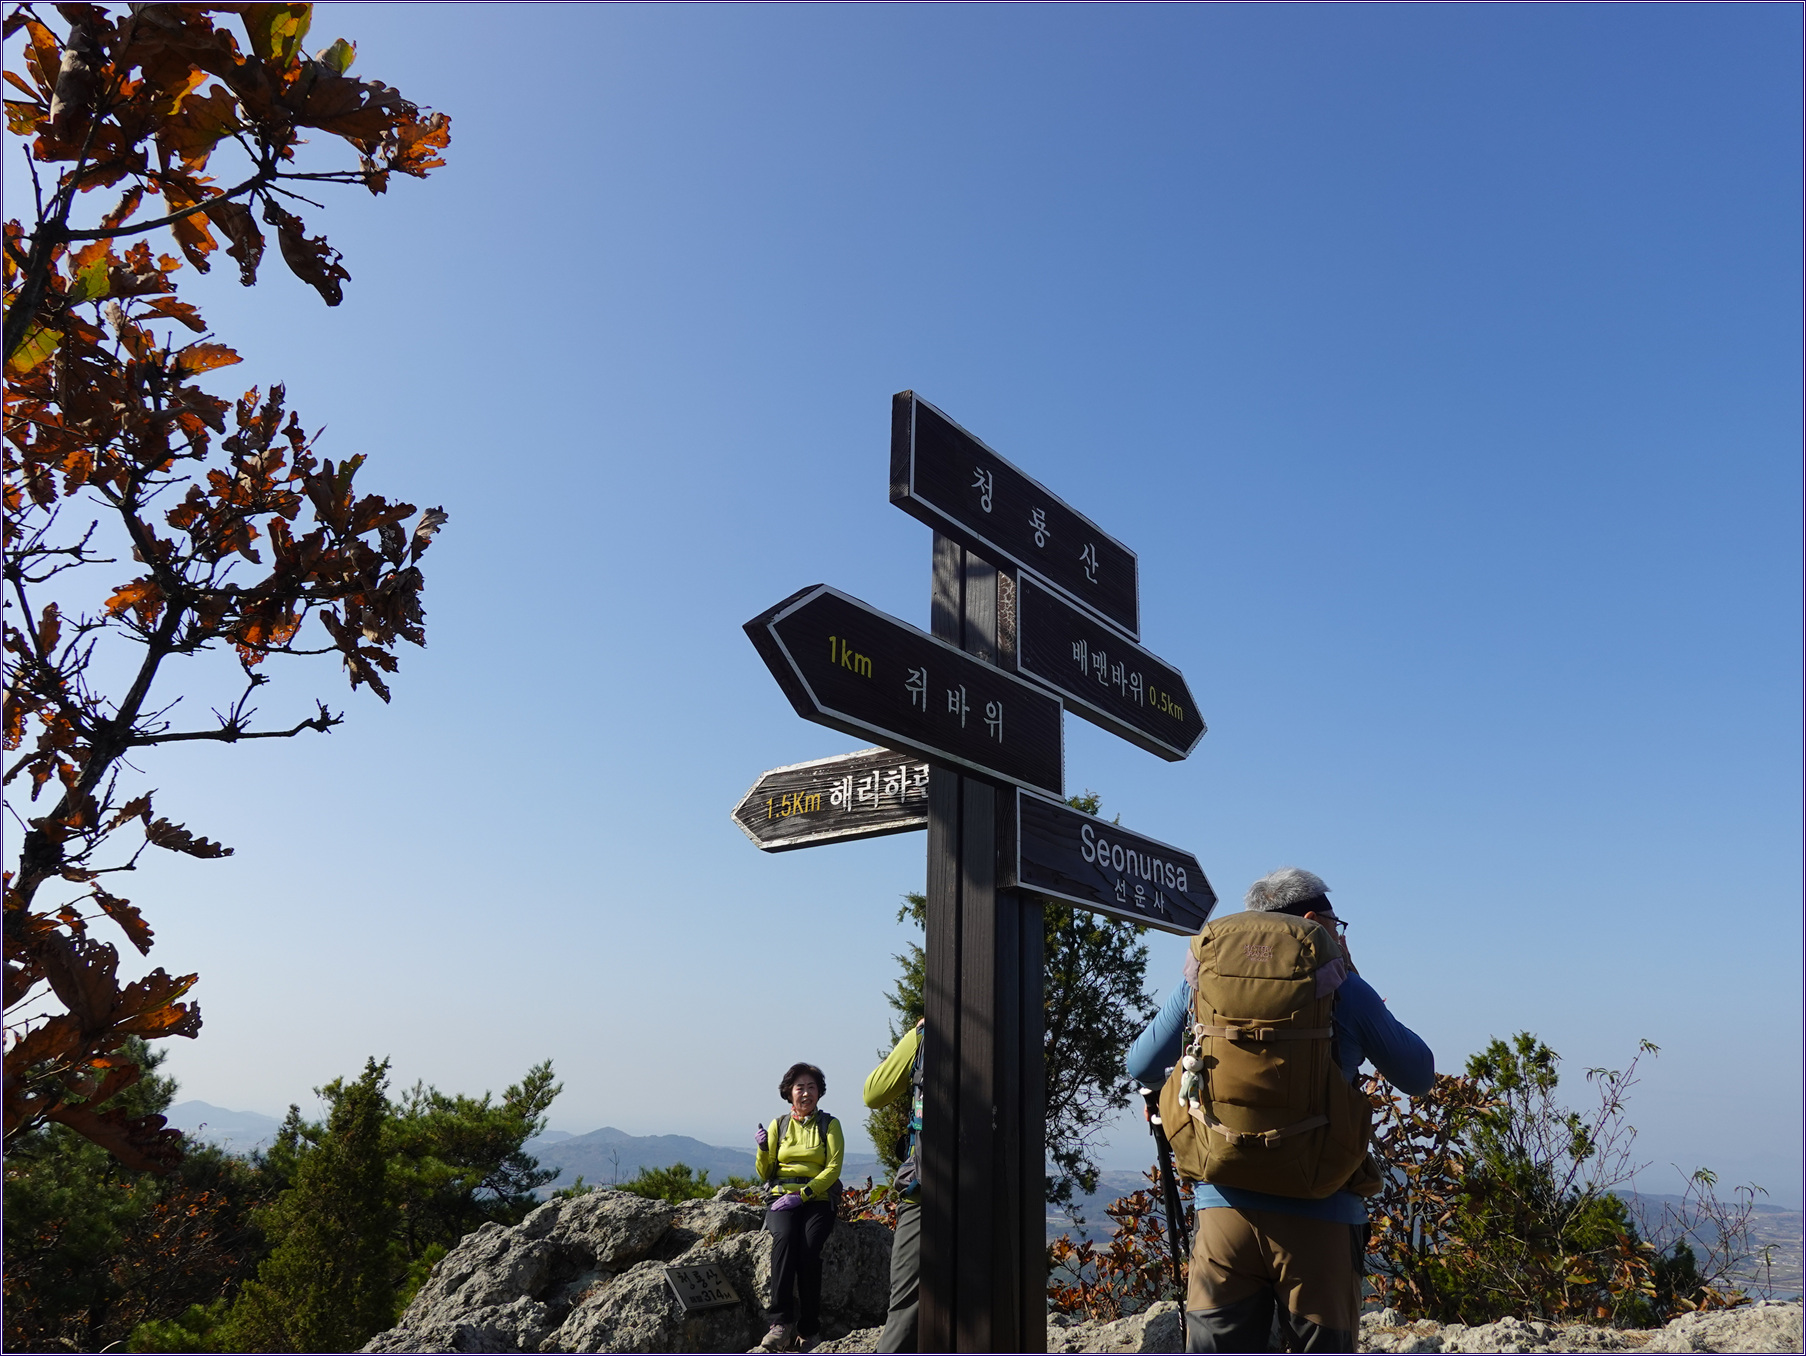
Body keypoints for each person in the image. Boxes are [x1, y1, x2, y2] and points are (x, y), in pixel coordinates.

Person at [1127, 868, 1435, 1354]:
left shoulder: (1204, 981)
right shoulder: (1342, 987)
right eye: (1337, 924)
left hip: (1222, 1208)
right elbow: (1418, 1074)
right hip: (1321, 1213)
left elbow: (1141, 1063)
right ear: (1313, 919)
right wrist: (1353, 979)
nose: (1340, 934)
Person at [754, 1062, 844, 1354]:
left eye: (811, 1087)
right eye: (800, 1087)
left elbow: (833, 1168)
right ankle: (780, 1325)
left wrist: (804, 1194)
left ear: (819, 1092)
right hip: (781, 1197)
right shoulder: (778, 1125)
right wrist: (763, 1149)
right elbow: (765, 1172)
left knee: (809, 1248)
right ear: (789, 1093)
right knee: (784, 1239)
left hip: (818, 1198)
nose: (806, 1093)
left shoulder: (830, 1125)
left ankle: (808, 1330)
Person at [862, 1016, 924, 1353]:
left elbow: (873, 1093)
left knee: (904, 1309)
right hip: (991, 1196)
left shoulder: (927, 1036)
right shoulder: (1012, 1027)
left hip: (923, 1194)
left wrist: (916, 1034)